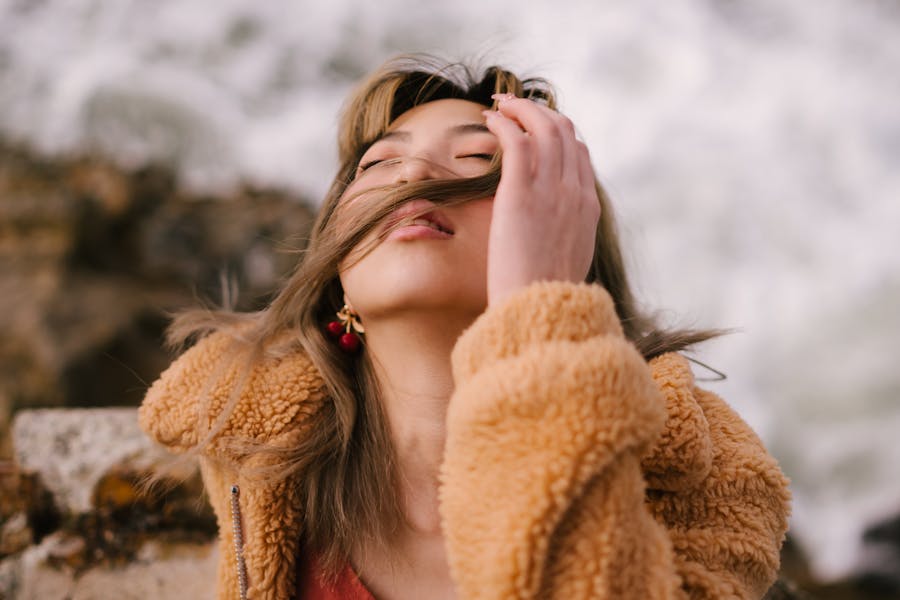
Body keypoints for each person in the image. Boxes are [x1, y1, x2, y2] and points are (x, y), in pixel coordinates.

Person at [139, 55, 791, 600]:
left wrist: (538, 321)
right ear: (338, 270)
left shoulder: (709, 474)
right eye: (378, 165)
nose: (416, 175)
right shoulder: (256, 434)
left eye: (480, 159)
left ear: (566, 240)